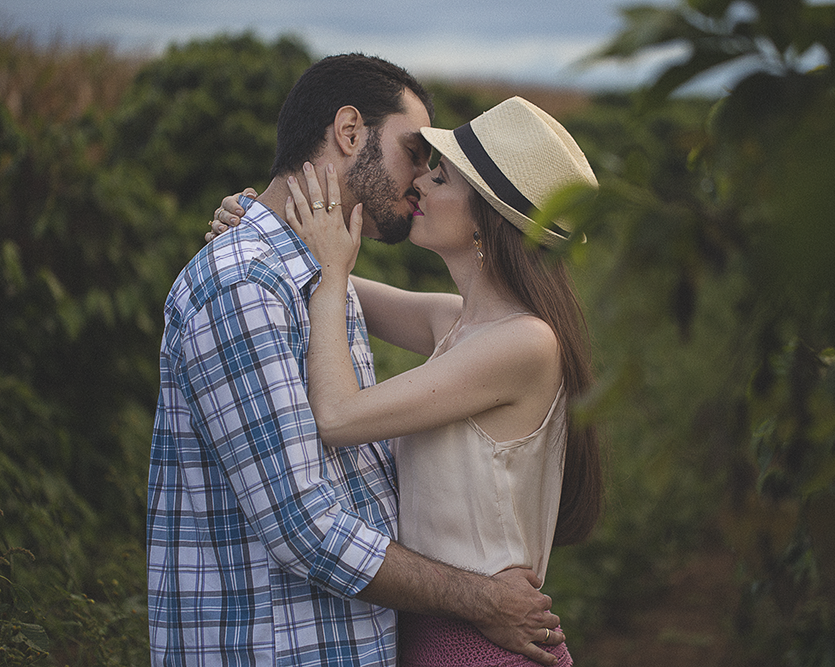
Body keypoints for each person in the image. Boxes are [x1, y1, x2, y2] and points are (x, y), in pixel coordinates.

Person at [149, 54, 564, 667]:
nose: (420, 178)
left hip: (441, 638)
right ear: (349, 133)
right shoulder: (262, 283)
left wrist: (294, 243)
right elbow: (304, 524)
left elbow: (340, 428)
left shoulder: (333, 283)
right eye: (415, 153)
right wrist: (256, 225)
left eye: (437, 171)